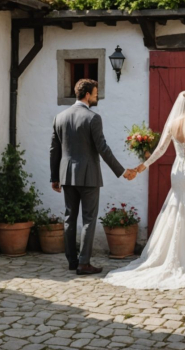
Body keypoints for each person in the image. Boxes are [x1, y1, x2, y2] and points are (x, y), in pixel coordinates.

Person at [103, 91, 185, 290]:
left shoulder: (172, 124)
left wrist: (143, 166)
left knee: (179, 207)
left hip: (178, 172)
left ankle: (175, 253)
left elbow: (160, 150)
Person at [50, 78, 136, 275]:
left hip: (67, 176)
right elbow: (103, 149)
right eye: (95, 93)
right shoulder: (93, 118)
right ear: (87, 94)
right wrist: (122, 171)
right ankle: (84, 263)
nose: (97, 96)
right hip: (88, 176)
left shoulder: (60, 117)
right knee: (89, 219)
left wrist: (55, 177)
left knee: (69, 217)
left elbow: (54, 150)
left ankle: (72, 261)